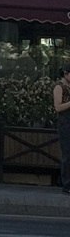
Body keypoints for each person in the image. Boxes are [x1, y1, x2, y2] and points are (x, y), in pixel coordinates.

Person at [54, 64, 70, 195]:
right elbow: (58, 107)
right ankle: (67, 184)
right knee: (67, 154)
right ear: (66, 74)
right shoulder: (59, 87)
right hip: (65, 122)